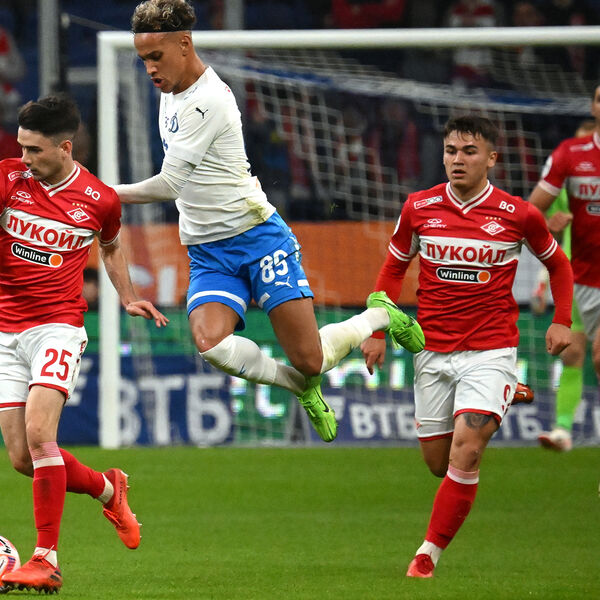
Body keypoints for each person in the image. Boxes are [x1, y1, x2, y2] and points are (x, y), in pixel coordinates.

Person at [113, 0, 425, 446]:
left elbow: (171, 184)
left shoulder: (209, 100)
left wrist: (103, 192)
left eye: (155, 57)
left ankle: (379, 314)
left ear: (184, 44)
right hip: (208, 252)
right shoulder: (171, 92)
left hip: (258, 239)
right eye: (143, 59)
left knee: (311, 359)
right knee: (209, 343)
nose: (149, 69)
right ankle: (298, 387)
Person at [361, 115, 573, 578]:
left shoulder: (519, 214)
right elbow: (393, 268)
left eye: (469, 151)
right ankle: (507, 393)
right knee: (438, 464)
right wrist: (376, 331)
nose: (458, 159)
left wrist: (561, 320)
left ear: (491, 158)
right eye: (451, 151)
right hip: (432, 351)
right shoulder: (419, 207)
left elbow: (559, 265)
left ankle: (426, 556)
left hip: (490, 349)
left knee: (468, 449)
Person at [0, 94, 168, 594]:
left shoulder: (100, 199)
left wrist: (129, 297)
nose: (25, 158)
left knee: (40, 435)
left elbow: (111, 248)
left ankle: (45, 559)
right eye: (21, 147)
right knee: (22, 458)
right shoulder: (9, 178)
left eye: (34, 149)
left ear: (65, 147)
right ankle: (108, 488)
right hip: (6, 332)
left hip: (57, 327)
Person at [529, 86, 600, 451]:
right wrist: (549, 225)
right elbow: (536, 217)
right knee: (572, 354)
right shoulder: (570, 163)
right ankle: (562, 429)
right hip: (577, 276)